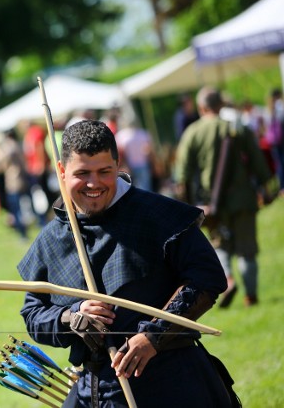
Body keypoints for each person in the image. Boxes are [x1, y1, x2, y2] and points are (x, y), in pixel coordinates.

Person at [18, 120, 236, 407]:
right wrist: (71, 316)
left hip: (172, 377)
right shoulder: (51, 237)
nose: (94, 184)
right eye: (82, 173)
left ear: (118, 165)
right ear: (61, 171)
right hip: (96, 386)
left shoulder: (158, 214)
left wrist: (153, 336)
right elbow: (33, 313)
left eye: (104, 172)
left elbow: (207, 278)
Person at [175, 86, 275, 308]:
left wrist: (188, 206)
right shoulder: (236, 127)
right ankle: (251, 297)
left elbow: (182, 175)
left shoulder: (192, 132)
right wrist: (266, 186)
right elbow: (258, 162)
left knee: (220, 246)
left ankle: (228, 280)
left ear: (201, 107)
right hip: (242, 199)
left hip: (211, 203)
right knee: (247, 249)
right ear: (221, 105)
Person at [115, 122, 156, 192]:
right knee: (145, 187)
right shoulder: (144, 134)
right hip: (141, 165)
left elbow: (119, 152)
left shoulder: (121, 135)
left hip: (129, 166)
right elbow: (149, 150)